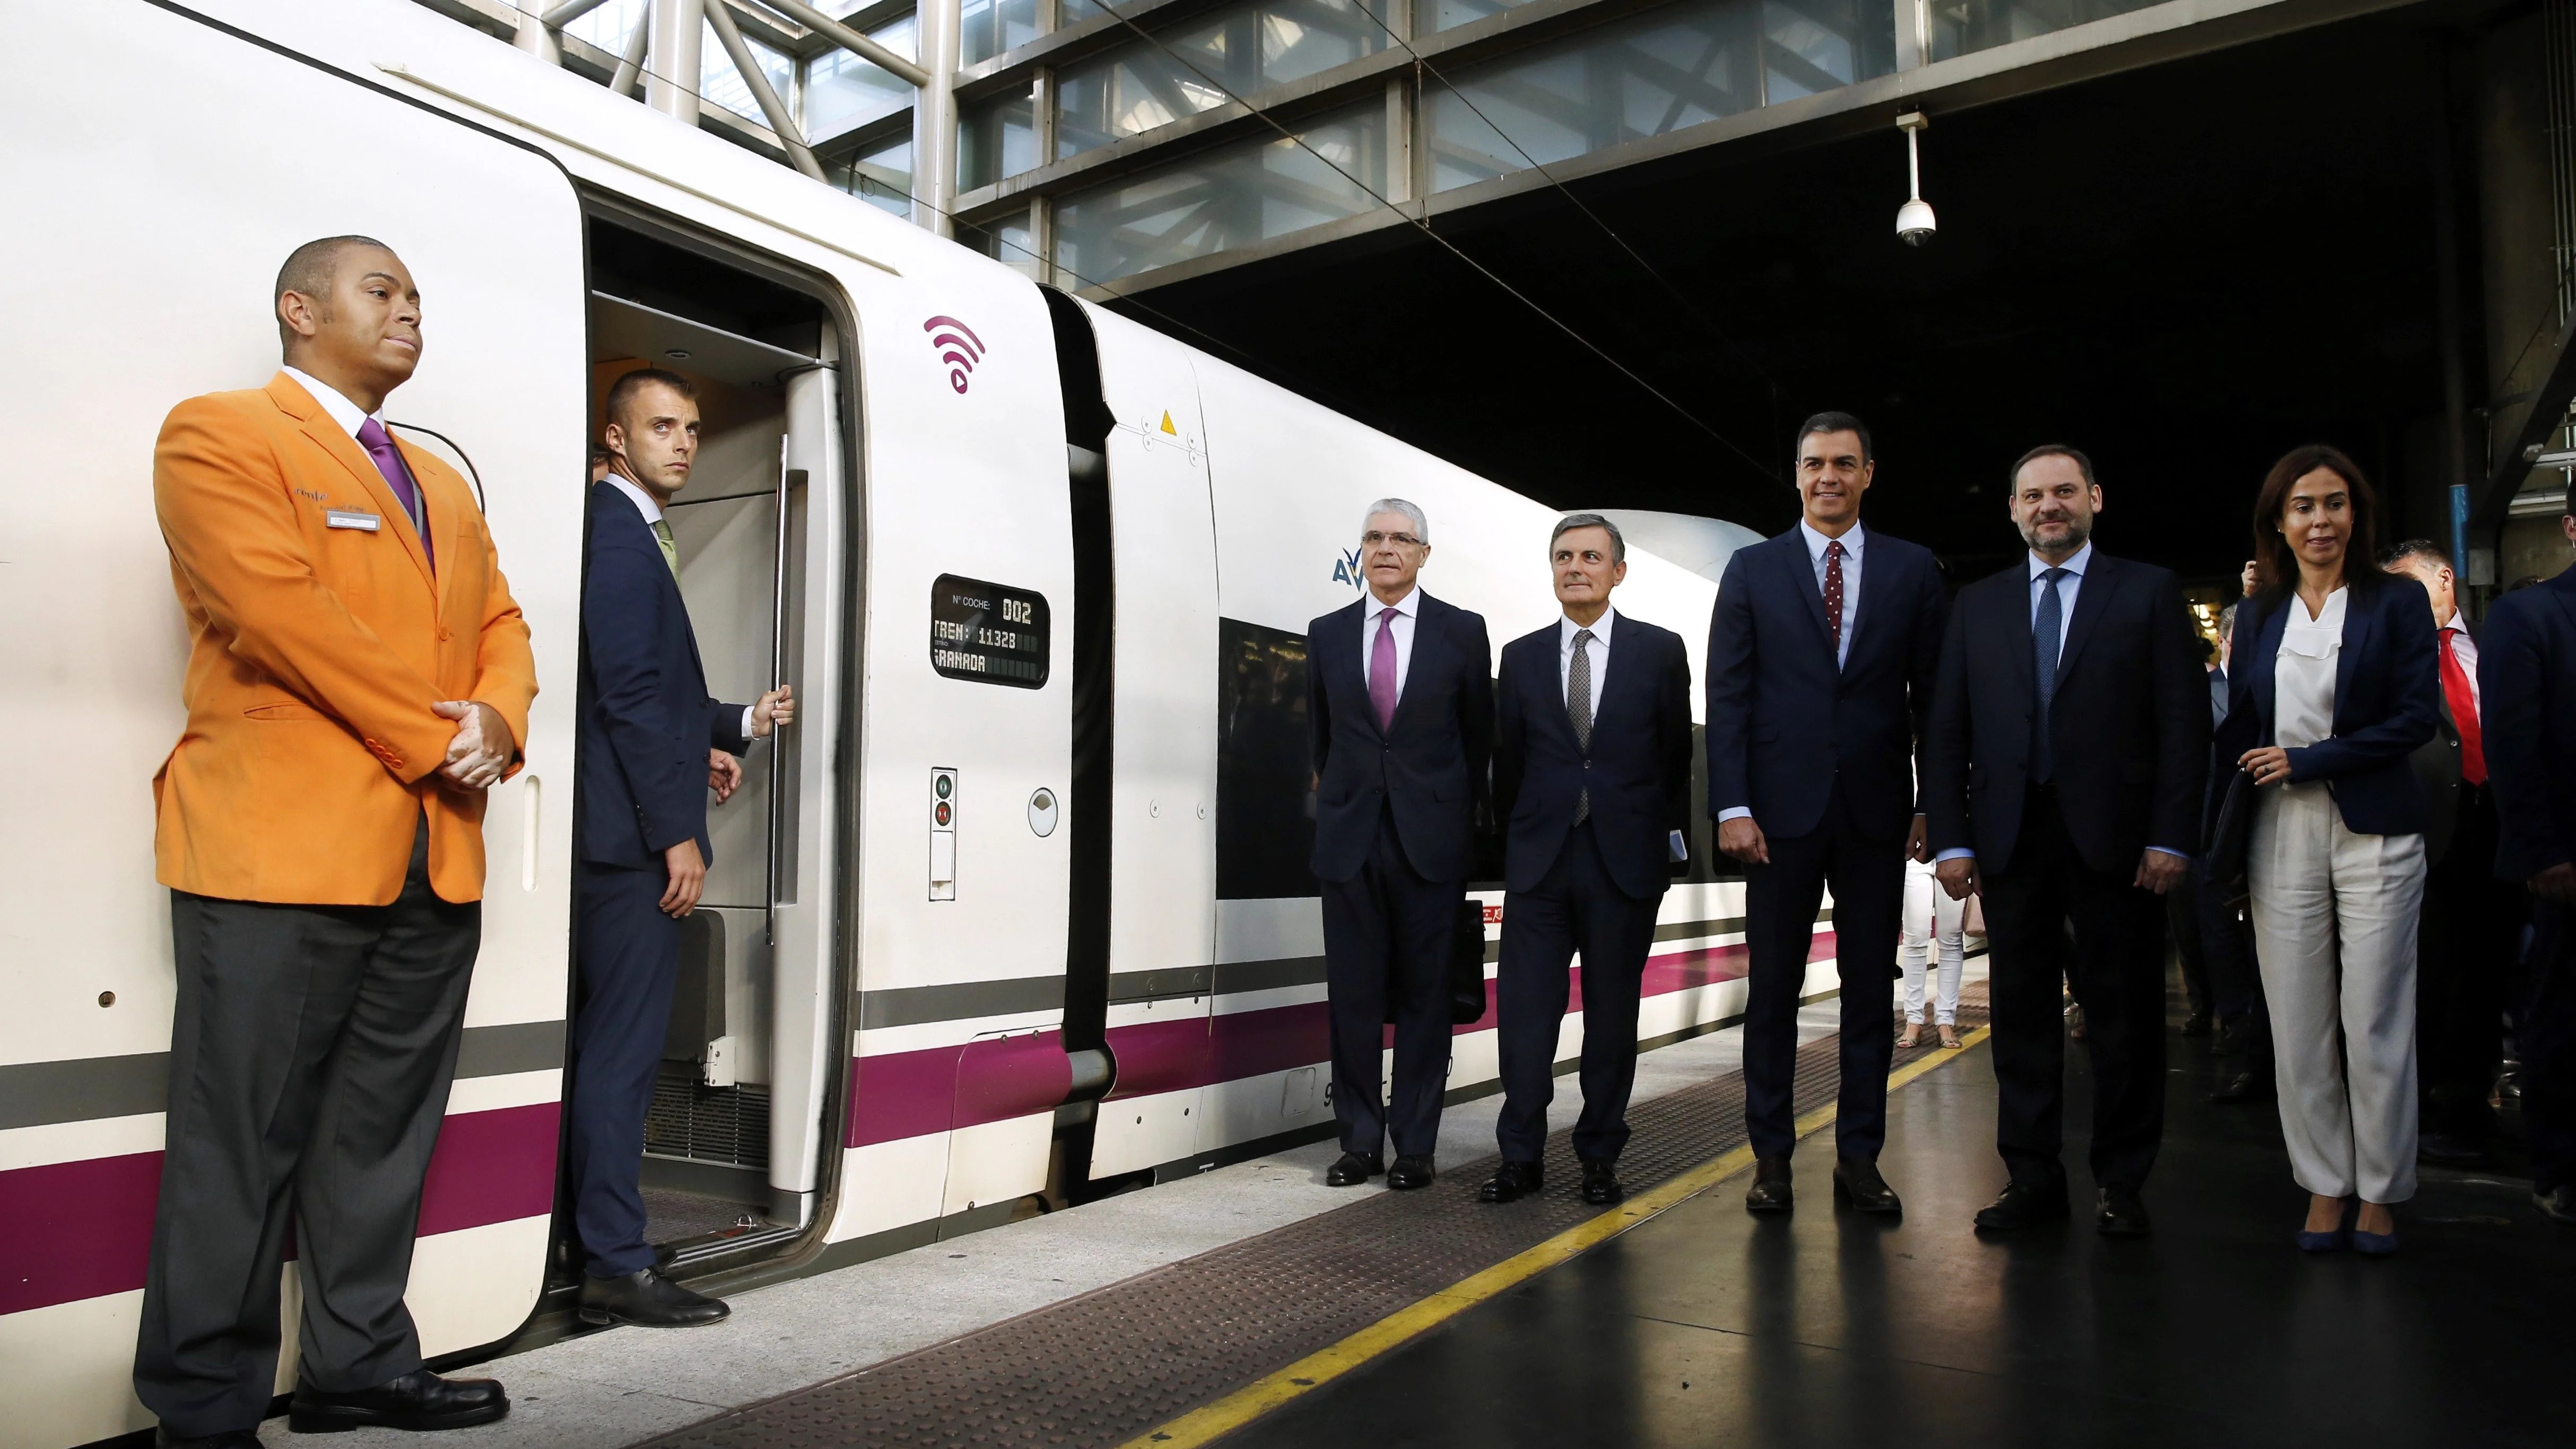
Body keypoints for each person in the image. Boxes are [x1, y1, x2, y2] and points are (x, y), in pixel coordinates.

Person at [135, 237, 536, 1445]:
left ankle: (357, 1366)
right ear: (298, 310)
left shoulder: (440, 481)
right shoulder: (217, 434)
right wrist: (439, 734)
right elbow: (278, 615)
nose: (410, 313)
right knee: (235, 1144)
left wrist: (501, 720)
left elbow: (503, 622)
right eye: (384, 292)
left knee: (379, 1139)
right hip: (277, 853)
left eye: (418, 298)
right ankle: (204, 1411)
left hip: (432, 858)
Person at [1925, 446, 2207, 1237]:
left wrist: (2172, 835)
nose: (2049, 506)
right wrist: (1951, 836)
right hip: (2011, 840)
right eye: (2032, 495)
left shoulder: (2147, 593)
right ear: (2012, 510)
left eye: (2063, 492)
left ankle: (2122, 1182)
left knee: (2125, 1015)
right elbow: (1945, 731)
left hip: (2119, 841)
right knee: (2019, 1019)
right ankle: (2033, 1179)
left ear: (2095, 499)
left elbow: (2184, 728)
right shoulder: (1975, 607)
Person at [572, 369, 793, 1325]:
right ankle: (615, 1262)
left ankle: (596, 1236)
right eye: (662, 426)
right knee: (619, 1059)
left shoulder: (632, 532)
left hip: (616, 832)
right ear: (616, 440)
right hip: (627, 848)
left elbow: (649, 696)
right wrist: (675, 834)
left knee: (602, 1054)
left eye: (694, 428)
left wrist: (731, 725)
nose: (684, 443)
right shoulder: (617, 532)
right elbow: (623, 699)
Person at [1708, 412, 1947, 1216]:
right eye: (1814, 464)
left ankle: (1859, 1159)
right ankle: (1771, 1160)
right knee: (1772, 994)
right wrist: (1732, 805)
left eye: (1845, 464)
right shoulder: (1751, 570)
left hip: (1878, 815)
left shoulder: (1914, 572)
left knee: (1866, 997)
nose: (1828, 478)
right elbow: (1729, 694)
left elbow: (1934, 703)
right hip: (1776, 820)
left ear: (1869, 473)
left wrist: (1932, 804)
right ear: (1798, 473)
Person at [2220, 445, 2440, 1253]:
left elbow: (2418, 718)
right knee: (2299, 1020)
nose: (2320, 520)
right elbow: (2241, 724)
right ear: (2279, 522)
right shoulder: (2259, 614)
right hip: (2279, 829)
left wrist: (2313, 759)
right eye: (2304, 507)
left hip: (2374, 826)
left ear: (2357, 514)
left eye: (2334, 504)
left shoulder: (2397, 604)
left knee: (2375, 1015)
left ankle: (2381, 1190)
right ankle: (2323, 1183)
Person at [1482, 515, 1693, 1207]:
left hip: (1623, 865)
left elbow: (1674, 761)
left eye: (1592, 557)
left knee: (1611, 1019)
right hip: (1541, 863)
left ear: (1618, 572)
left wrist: (1656, 840)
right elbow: (1506, 765)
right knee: (1525, 1017)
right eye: (1564, 556)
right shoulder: (1520, 657)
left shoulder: (1660, 653)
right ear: (1552, 569)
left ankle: (1600, 1156)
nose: (1577, 567)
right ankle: (1521, 1156)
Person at [1309, 500, 1493, 1190]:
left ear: (1423, 554)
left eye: (1401, 539)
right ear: (1362, 551)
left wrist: (1446, 806)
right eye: (1375, 538)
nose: (1386, 549)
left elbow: (1478, 738)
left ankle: (1415, 1145)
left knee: (1425, 998)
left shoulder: (1462, 633)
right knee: (1351, 999)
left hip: (1431, 841)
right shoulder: (1326, 634)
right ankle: (1360, 1143)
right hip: (1349, 840)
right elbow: (1321, 740)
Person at [2382, 539, 2519, 1163]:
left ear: (2444, 579)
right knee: (2426, 971)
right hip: (2424, 831)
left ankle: (2468, 1097)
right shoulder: (2390, 657)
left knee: (2488, 966)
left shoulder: (2499, 643)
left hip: (2499, 824)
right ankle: (2422, 1107)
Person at [2479, 494, 2576, 1223]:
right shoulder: (2531, 616)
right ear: (2570, 527)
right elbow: (2512, 744)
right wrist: (2542, 851)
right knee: (2563, 1016)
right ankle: (2562, 1169)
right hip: (2567, 865)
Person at [2204, 598, 2277, 1106]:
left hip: (2274, 814)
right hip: (2217, 831)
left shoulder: (2271, 689)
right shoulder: (2200, 689)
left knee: (2271, 953)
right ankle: (2242, 1033)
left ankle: (2267, 1054)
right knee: (2222, 941)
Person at [1899, 855, 1967, 1050]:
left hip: (1953, 850)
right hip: (1915, 853)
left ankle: (1946, 1020)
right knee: (1915, 939)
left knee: (1951, 938)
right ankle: (1913, 1019)